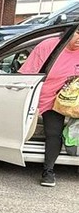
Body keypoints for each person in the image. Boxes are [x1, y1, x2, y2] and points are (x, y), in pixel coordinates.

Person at [18, 26, 79, 186]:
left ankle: (48, 171)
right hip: (37, 96)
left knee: (54, 133)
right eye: (78, 33)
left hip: (62, 101)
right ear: (68, 32)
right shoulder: (48, 46)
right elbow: (27, 73)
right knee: (33, 130)